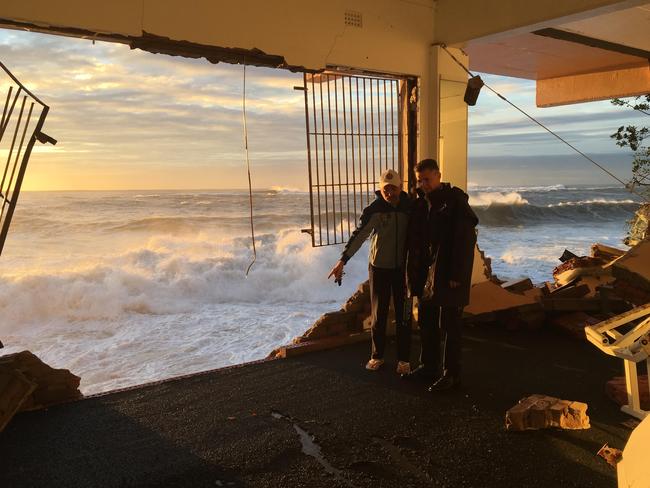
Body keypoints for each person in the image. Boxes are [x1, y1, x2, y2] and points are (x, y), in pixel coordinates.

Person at [328, 168, 412, 374]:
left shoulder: (410, 207)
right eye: (386, 189)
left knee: (404, 315)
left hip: (403, 269)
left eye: (394, 188)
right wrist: (342, 261)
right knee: (379, 313)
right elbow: (359, 235)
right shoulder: (374, 209)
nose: (390, 193)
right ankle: (377, 356)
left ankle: (404, 359)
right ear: (381, 189)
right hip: (379, 268)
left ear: (401, 187)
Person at [405, 158, 478, 391]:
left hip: (448, 273)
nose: (424, 184)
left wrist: (457, 273)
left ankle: (451, 374)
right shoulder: (421, 204)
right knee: (427, 322)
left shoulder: (456, 202)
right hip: (427, 273)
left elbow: (465, 241)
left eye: (427, 179)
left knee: (450, 325)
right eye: (420, 180)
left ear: (438, 175)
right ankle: (429, 367)